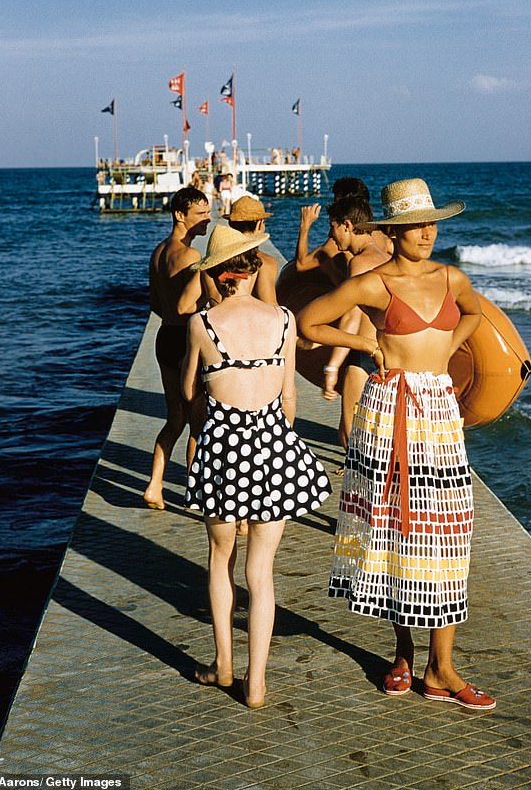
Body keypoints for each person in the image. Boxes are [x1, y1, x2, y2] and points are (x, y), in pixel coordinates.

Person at [298, 178, 496, 710]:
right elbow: (308, 322)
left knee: (447, 535)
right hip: (389, 413)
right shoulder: (374, 283)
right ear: (394, 230)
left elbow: (474, 315)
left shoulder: (453, 278)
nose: (427, 232)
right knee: (394, 531)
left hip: (437, 410)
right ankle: (405, 655)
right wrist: (364, 341)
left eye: (432, 223)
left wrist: (446, 352)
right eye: (415, 225)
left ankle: (443, 667)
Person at [182, 225, 332, 708]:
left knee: (220, 559)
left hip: (223, 447)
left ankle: (224, 667)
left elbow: (191, 393)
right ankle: (258, 684)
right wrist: (275, 439)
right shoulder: (285, 320)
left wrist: (208, 433)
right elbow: (289, 398)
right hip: (274, 445)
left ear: (219, 274)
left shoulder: (202, 325)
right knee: (261, 571)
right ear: (251, 268)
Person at [143, 186, 211, 511]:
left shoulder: (157, 253)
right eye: (201, 215)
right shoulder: (192, 257)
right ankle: (194, 492)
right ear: (180, 215)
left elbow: (155, 303)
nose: (208, 221)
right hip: (186, 342)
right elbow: (189, 305)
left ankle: (155, 485)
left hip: (164, 337)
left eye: (209, 214)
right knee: (197, 421)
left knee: (174, 419)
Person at [319, 195, 391, 447]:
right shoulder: (385, 255)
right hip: (387, 353)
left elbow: (352, 315)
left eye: (333, 226)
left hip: (364, 356)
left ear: (347, 225)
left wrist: (332, 367)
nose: (331, 234)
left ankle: (358, 482)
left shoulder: (360, 263)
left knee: (351, 434)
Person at [295, 176, 373, 284]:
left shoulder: (335, 244)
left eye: (336, 202)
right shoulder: (378, 235)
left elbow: (301, 265)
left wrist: (305, 225)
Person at [226, 195, 279, 305]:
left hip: (217, 318)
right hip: (248, 319)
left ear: (230, 224)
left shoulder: (213, 260)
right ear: (260, 224)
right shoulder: (264, 263)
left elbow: (184, 307)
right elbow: (271, 307)